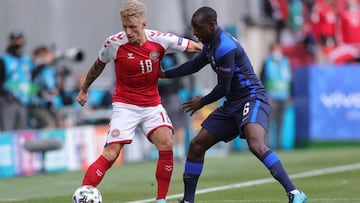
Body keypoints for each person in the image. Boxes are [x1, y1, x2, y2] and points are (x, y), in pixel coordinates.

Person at [159, 7, 308, 203]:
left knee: (255, 143)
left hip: (252, 97)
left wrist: (201, 102)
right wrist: (164, 74)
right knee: (196, 145)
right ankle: (188, 201)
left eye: (198, 28)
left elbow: (223, 87)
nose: (195, 33)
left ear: (212, 26)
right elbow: (194, 65)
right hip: (233, 103)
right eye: (193, 28)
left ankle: (295, 194)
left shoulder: (224, 47)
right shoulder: (210, 44)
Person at [75, 0, 202, 202]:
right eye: (125, 27)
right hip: (125, 106)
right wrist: (84, 89)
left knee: (166, 143)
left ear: (144, 24)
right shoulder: (114, 43)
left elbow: (196, 46)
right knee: (111, 153)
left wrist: (219, 51)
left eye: (132, 27)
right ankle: (83, 194)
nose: (128, 32)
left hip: (152, 105)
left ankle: (161, 199)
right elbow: (98, 65)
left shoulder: (161, 40)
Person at [0, 30, 34, 131]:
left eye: (19, 40)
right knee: (8, 129)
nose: (17, 43)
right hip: (9, 99)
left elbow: (31, 77)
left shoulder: (26, 60)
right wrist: (5, 94)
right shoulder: (4, 59)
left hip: (23, 99)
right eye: (15, 40)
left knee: (22, 131)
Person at [260, 43, 292, 150]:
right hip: (271, 97)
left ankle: (279, 145)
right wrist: (265, 96)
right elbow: (262, 80)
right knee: (268, 122)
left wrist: (290, 94)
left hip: (283, 97)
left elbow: (289, 80)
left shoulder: (285, 62)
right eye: (275, 50)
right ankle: (266, 145)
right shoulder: (267, 62)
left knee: (280, 122)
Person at [159, 53, 187, 161]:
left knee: (177, 124)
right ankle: (175, 151)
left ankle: (178, 151)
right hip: (166, 95)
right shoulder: (161, 56)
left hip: (174, 94)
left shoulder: (172, 56)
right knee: (171, 125)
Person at [28, 45, 61, 129]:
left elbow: (53, 88)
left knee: (62, 122)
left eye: (45, 55)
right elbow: (32, 75)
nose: (43, 58)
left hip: (47, 103)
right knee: (49, 125)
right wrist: (43, 62)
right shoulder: (31, 66)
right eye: (41, 56)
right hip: (34, 103)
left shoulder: (48, 69)